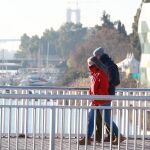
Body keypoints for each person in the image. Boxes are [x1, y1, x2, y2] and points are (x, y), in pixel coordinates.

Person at [79, 56, 119, 145]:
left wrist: (95, 97)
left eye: (89, 63)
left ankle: (119, 136)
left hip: (102, 100)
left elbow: (104, 88)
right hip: (95, 100)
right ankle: (88, 138)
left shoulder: (101, 73)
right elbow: (92, 88)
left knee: (107, 120)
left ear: (94, 64)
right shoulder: (94, 73)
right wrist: (91, 96)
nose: (88, 65)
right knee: (91, 119)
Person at [92, 47, 125, 144]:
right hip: (104, 94)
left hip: (106, 94)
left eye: (96, 56)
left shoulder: (109, 65)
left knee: (105, 117)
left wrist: (104, 87)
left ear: (99, 55)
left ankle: (118, 136)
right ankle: (113, 136)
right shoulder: (106, 64)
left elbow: (114, 80)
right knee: (104, 116)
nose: (95, 58)